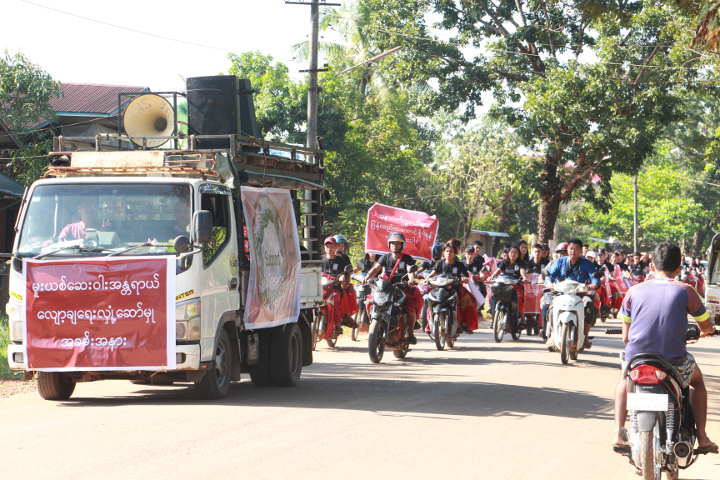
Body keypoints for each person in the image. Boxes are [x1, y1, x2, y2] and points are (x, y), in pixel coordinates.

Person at [613, 242, 717, 455]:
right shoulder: (686, 291)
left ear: (651, 265)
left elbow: (625, 337)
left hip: (638, 359)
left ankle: (619, 432)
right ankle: (702, 436)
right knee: (697, 382)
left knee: (624, 380)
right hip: (674, 361)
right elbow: (706, 326)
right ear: (679, 268)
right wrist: (706, 332)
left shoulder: (634, 291)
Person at [366, 232, 422, 344]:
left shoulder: (407, 259)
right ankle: (374, 322)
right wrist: (366, 277)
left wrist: (411, 279)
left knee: (410, 308)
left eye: (398, 244)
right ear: (389, 245)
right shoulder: (385, 257)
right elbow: (375, 269)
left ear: (402, 245)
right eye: (392, 243)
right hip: (386, 287)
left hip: (402, 287)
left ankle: (410, 333)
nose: (395, 246)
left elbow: (410, 271)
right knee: (370, 301)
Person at [545, 238, 600, 347]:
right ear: (567, 250)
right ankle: (552, 334)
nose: (573, 251)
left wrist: (593, 284)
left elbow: (594, 277)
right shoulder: (559, 262)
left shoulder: (587, 264)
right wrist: (549, 283)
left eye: (576, 249)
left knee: (589, 305)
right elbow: (549, 276)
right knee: (549, 306)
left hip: (580, 294)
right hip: (560, 293)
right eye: (571, 249)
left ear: (581, 251)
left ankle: (585, 335)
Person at [425, 241, 478, 333]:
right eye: (447, 251)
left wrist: (463, 278)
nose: (449, 253)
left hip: (455, 288)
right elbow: (433, 273)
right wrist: (427, 278)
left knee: (469, 300)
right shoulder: (439, 263)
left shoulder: (459, 264)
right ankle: (429, 325)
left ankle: (465, 324)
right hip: (440, 288)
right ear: (443, 253)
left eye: (451, 251)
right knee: (429, 300)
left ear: (455, 253)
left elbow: (464, 275)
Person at [321, 237, 357, 338]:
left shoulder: (341, 260)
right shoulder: (320, 260)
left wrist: (343, 277)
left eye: (332, 246)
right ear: (324, 248)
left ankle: (337, 324)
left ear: (335, 247)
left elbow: (346, 273)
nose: (329, 249)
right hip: (321, 288)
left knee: (335, 298)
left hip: (335, 288)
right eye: (327, 246)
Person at [488, 245, 527, 319]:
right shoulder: (504, 262)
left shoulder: (520, 263)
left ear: (518, 254)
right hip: (504, 285)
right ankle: (493, 316)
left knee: (519, 301)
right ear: (508, 253)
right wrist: (492, 276)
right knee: (493, 295)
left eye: (515, 252)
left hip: (516, 285)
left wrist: (524, 277)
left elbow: (522, 271)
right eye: (511, 252)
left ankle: (521, 317)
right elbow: (498, 270)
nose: (513, 254)